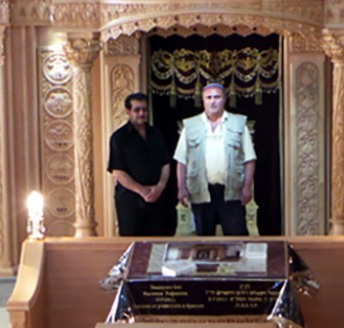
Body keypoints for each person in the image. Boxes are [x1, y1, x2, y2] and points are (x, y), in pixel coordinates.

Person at [174, 82, 256, 236]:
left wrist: (247, 186)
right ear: (203, 100)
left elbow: (249, 159)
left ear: (224, 99)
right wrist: (181, 188)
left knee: (237, 240)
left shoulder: (238, 123)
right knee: (204, 242)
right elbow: (181, 161)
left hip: (231, 192)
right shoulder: (190, 125)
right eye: (209, 97)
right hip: (201, 192)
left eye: (217, 97)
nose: (213, 101)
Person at [107, 92, 172, 236]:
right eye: (137, 110)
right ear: (128, 111)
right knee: (132, 244)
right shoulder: (118, 138)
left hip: (157, 198)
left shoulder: (157, 134)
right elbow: (118, 171)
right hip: (131, 202)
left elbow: (165, 164)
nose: (141, 113)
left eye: (144, 109)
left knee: (157, 243)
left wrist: (159, 187)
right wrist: (142, 191)